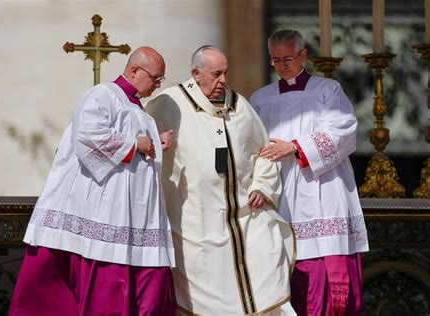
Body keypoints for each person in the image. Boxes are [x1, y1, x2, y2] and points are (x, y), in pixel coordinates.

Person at [9, 46, 177, 316]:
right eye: (155, 78)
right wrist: (136, 143)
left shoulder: (141, 112)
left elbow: (138, 151)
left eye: (161, 80)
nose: (157, 85)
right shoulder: (102, 95)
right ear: (134, 70)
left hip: (134, 217)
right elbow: (88, 136)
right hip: (104, 211)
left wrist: (157, 141)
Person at [146, 45, 296, 315]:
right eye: (216, 74)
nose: (223, 80)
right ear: (196, 73)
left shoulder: (240, 107)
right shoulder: (168, 104)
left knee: (264, 270)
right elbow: (145, 150)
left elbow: (265, 154)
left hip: (243, 220)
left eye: (225, 73)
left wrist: (262, 185)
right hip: (193, 224)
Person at [250, 29, 369, 316]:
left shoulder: (327, 90)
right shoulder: (260, 99)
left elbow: (344, 131)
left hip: (322, 191)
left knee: (324, 279)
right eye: (275, 60)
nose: (282, 66)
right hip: (281, 196)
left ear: (303, 55)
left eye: (288, 58)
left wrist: (294, 146)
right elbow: (250, 146)